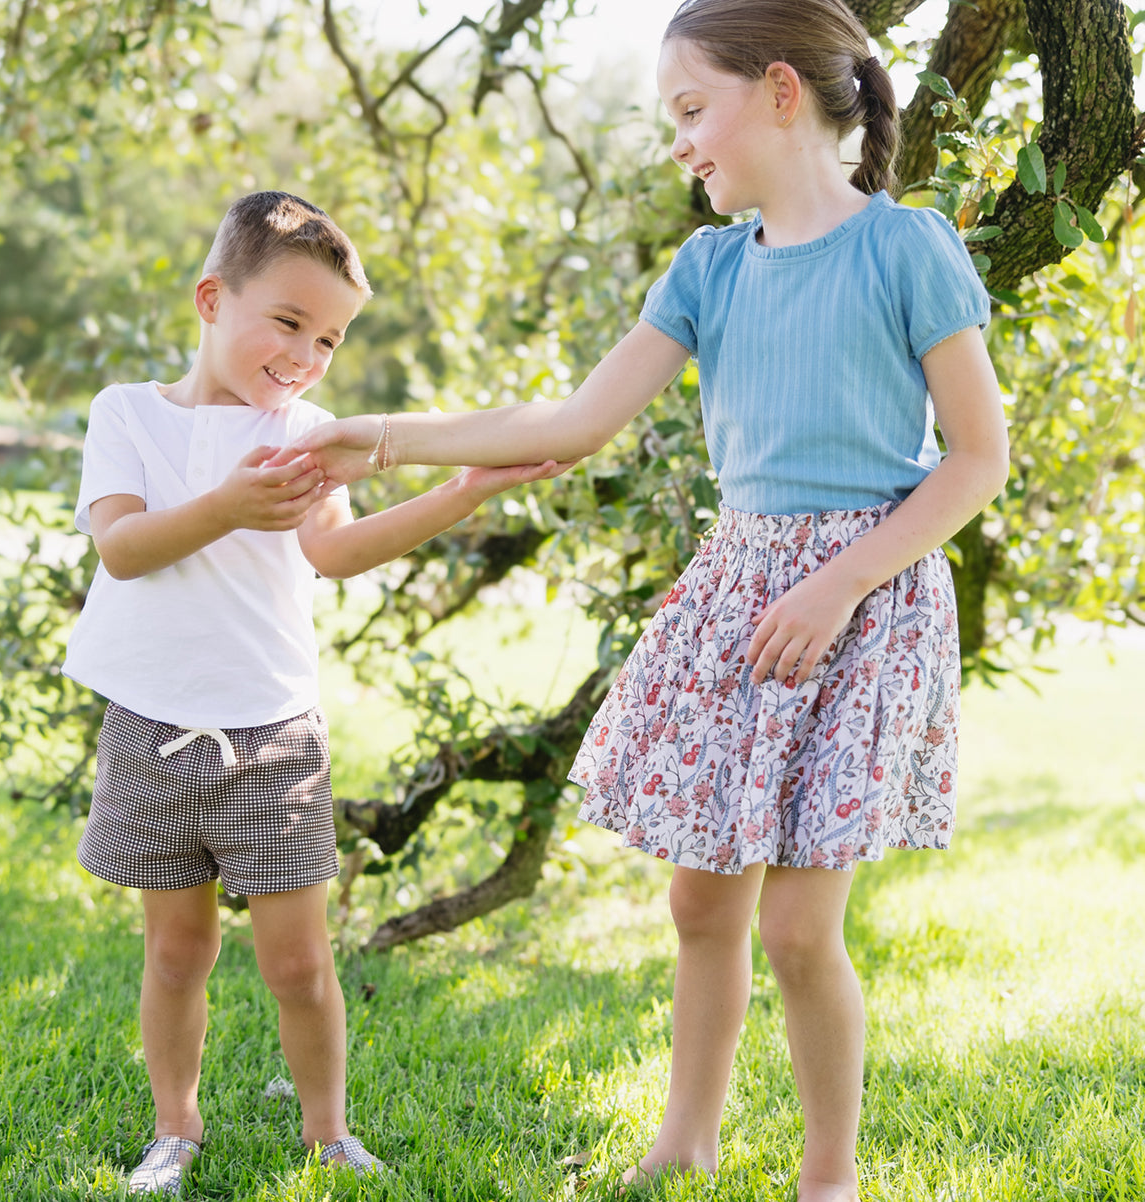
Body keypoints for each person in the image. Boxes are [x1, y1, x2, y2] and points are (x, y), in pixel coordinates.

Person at [289, 2, 1010, 1198]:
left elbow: (978, 458)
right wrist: (369, 438)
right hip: (742, 590)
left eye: (690, 111)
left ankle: (827, 1173)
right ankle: (687, 1137)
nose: (678, 143)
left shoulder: (909, 248)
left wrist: (837, 582)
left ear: (781, 93)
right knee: (699, 899)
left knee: (795, 927)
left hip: (863, 600)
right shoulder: (709, 266)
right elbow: (570, 421)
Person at [62, 190, 564, 1197]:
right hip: (153, 727)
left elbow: (334, 549)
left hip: (274, 734)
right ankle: (176, 1129)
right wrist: (224, 505)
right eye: (288, 321)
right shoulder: (128, 415)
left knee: (298, 965)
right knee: (177, 952)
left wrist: (456, 493)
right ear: (212, 298)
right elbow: (121, 546)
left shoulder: (312, 430)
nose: (305, 352)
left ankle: (329, 1132)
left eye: (329, 336)